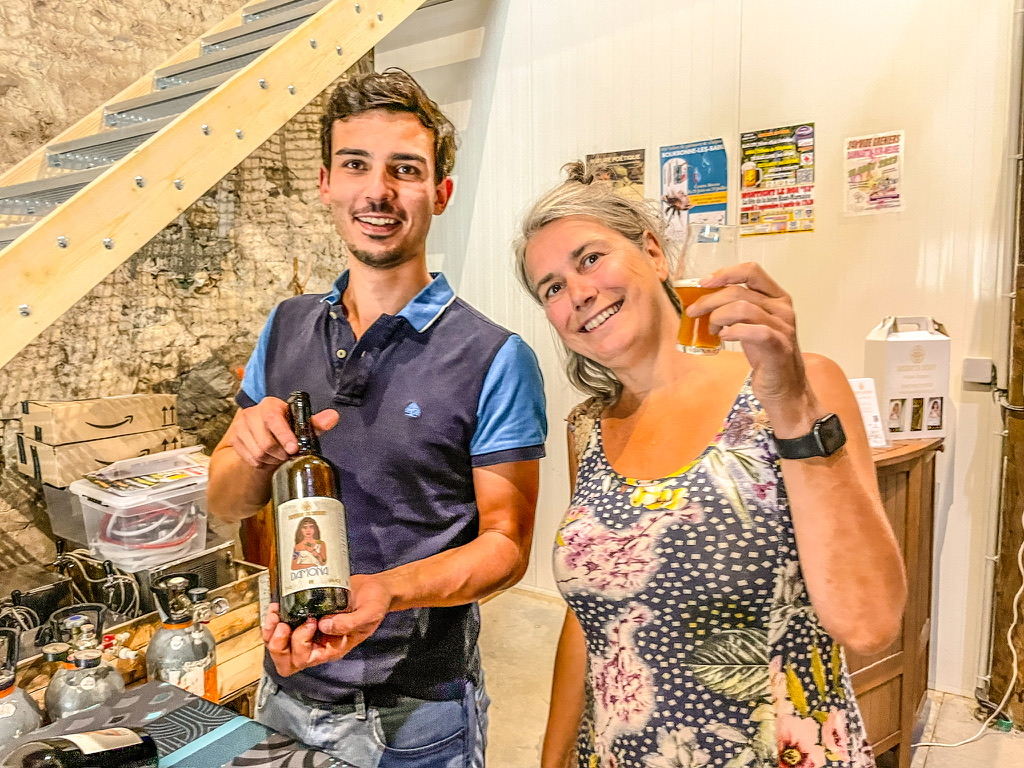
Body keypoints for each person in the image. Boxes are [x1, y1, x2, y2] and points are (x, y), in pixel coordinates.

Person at [512, 163, 906, 768]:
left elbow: (869, 623)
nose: (578, 293)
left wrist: (792, 401)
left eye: (589, 259)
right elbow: (593, 616)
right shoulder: (588, 428)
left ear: (653, 252)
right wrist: (553, 758)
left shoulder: (797, 386)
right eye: (552, 288)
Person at [207, 68, 547, 768]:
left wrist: (387, 591)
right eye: (357, 165)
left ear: (440, 193)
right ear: (327, 181)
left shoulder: (493, 355)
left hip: (416, 713)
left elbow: (506, 547)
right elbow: (224, 502)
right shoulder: (285, 327)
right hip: (285, 687)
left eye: (406, 170)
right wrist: (246, 454)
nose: (378, 191)